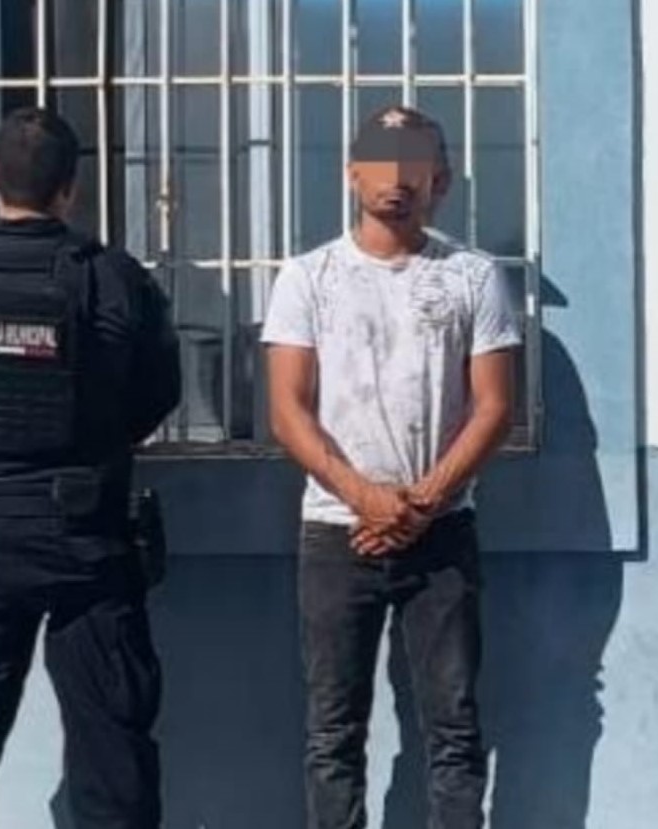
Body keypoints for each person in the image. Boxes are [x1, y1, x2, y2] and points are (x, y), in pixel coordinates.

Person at [0, 107, 181, 829]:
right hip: (86, 538)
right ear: (70, 189)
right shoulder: (115, 280)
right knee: (112, 747)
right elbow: (157, 395)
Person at [263, 105, 521, 829]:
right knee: (333, 732)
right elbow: (288, 410)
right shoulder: (308, 278)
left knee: (454, 729)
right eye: (381, 160)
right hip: (335, 532)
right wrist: (365, 498)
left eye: (414, 163)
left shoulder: (473, 276)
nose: (396, 178)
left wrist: (421, 502)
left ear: (440, 180)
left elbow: (495, 407)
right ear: (352, 173)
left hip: (442, 533)